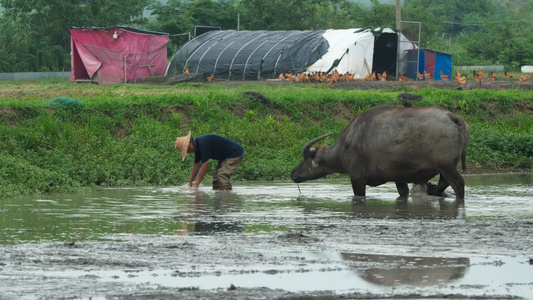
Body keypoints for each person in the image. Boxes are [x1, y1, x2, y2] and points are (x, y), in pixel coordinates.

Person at [175, 131, 244, 190]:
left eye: (187, 151)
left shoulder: (203, 144)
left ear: (189, 145)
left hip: (235, 153)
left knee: (222, 174)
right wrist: (189, 183)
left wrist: (196, 184)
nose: (189, 152)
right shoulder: (197, 147)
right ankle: (218, 195)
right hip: (225, 156)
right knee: (216, 176)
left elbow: (204, 166)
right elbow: (196, 165)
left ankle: (227, 197)